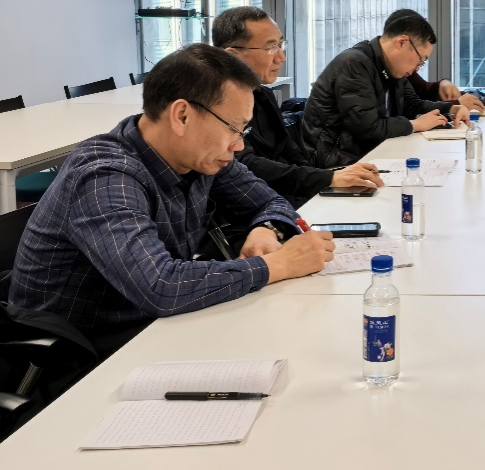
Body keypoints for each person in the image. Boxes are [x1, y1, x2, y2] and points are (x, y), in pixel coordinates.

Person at [8, 44, 335, 348]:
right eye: (234, 128)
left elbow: (272, 201)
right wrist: (275, 265)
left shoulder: (202, 156)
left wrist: (267, 229)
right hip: (76, 351)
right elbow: (160, 287)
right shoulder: (105, 176)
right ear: (182, 116)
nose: (239, 145)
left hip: (150, 324)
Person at [212, 6, 383, 206]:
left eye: (280, 45)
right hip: (258, 205)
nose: (281, 57)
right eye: (270, 47)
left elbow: (291, 151)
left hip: (291, 195)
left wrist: (323, 182)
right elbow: (248, 165)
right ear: (234, 55)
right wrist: (326, 179)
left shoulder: (263, 95)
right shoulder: (215, 105)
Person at [302, 10, 468, 168]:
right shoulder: (354, 64)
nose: (418, 68)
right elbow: (368, 128)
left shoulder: (391, 68)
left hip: (367, 154)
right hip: (336, 162)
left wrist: (451, 109)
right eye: (420, 60)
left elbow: (412, 105)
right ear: (402, 42)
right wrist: (415, 124)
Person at [383, 9, 484, 114]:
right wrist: (455, 104)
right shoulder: (379, 70)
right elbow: (408, 111)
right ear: (401, 42)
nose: (417, 68)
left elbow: (419, 93)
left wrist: (441, 85)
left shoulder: (402, 71)